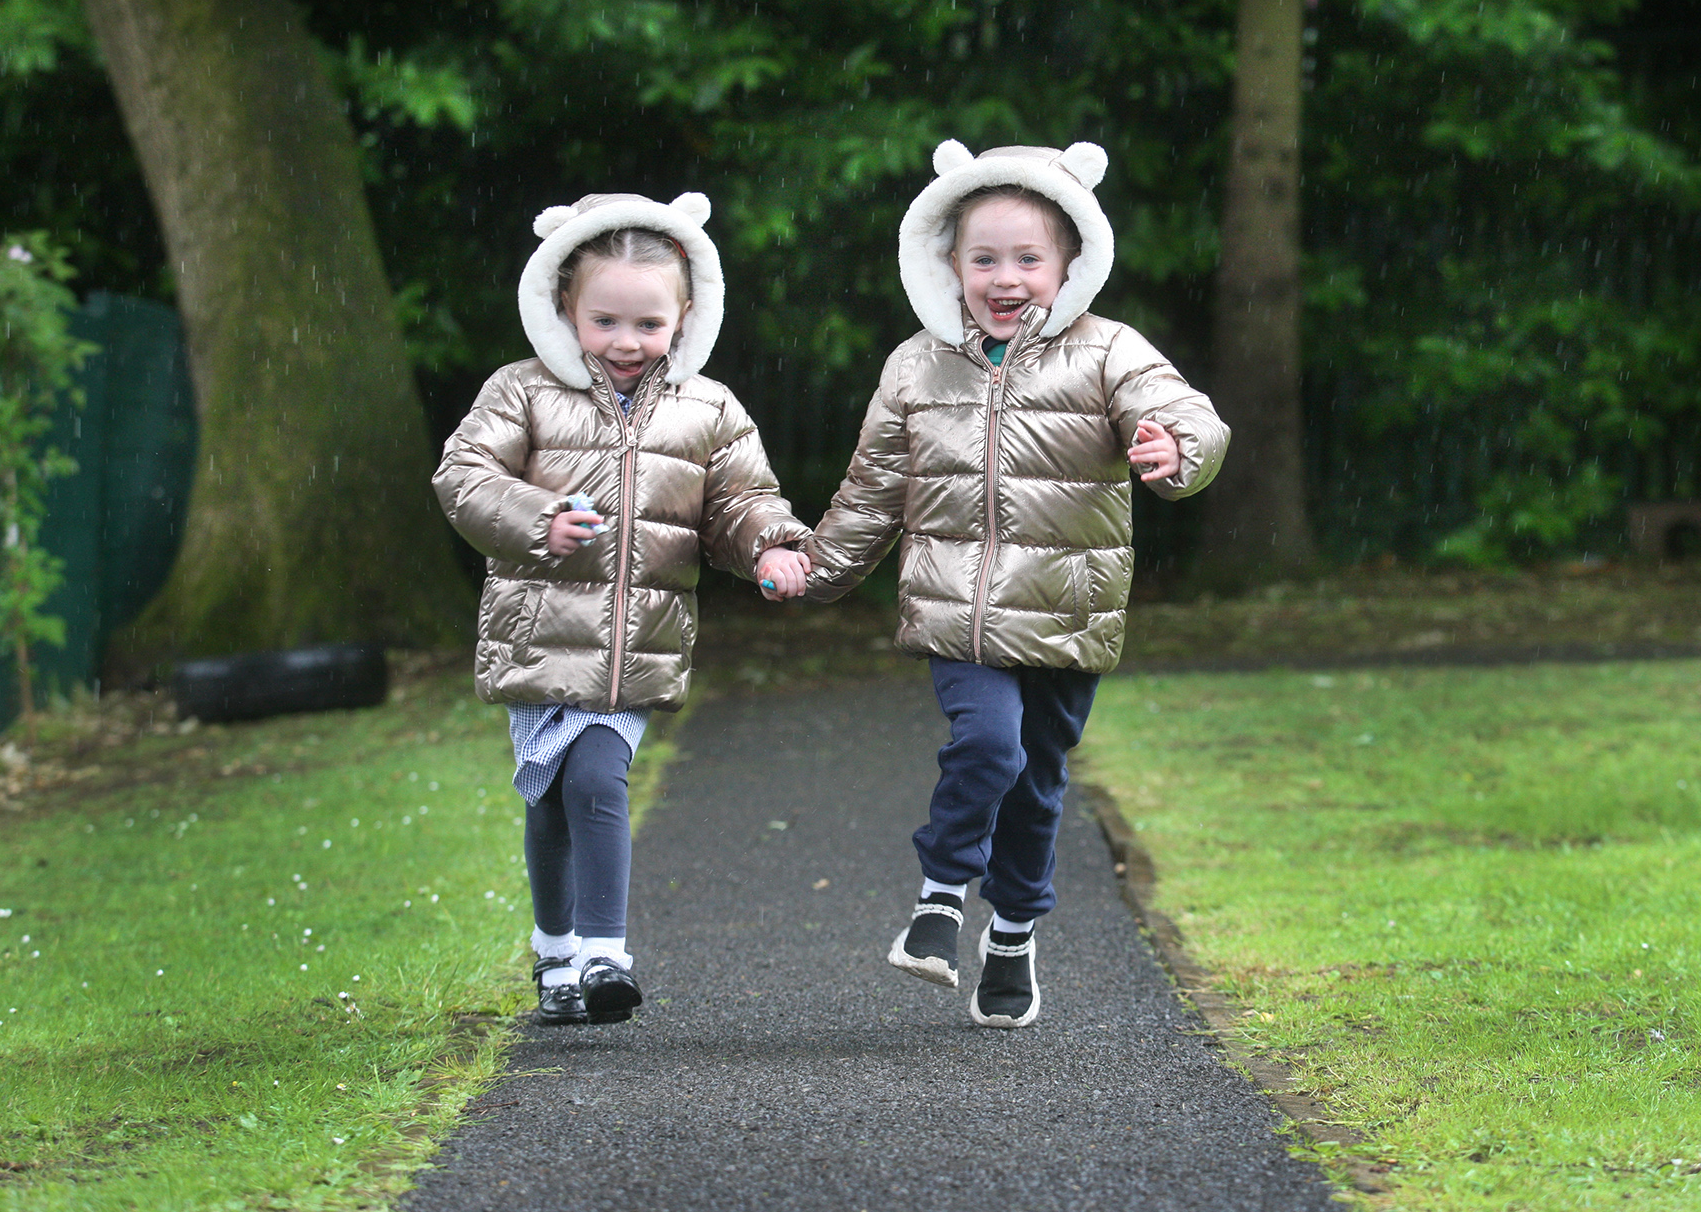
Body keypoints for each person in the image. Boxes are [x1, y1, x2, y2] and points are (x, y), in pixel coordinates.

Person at [796, 140, 1229, 1027]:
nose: (1005, 278)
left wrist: (1173, 448)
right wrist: (814, 569)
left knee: (1036, 783)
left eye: (1027, 258)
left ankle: (1013, 935)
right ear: (948, 263)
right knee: (990, 744)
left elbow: (1186, 413)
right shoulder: (917, 366)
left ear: (1071, 261)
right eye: (983, 258)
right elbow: (874, 488)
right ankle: (939, 897)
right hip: (958, 612)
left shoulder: (1107, 352)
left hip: (1068, 615)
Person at [434, 191, 810, 1027]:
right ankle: (554, 955)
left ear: (685, 316)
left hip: (635, 645)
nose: (627, 343)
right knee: (551, 798)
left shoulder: (707, 409)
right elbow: (463, 478)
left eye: (649, 324)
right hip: (539, 635)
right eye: (605, 321)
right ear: (564, 308)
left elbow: (742, 501)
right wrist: (538, 517)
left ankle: (605, 953)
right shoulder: (523, 393)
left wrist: (771, 545)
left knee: (597, 778)